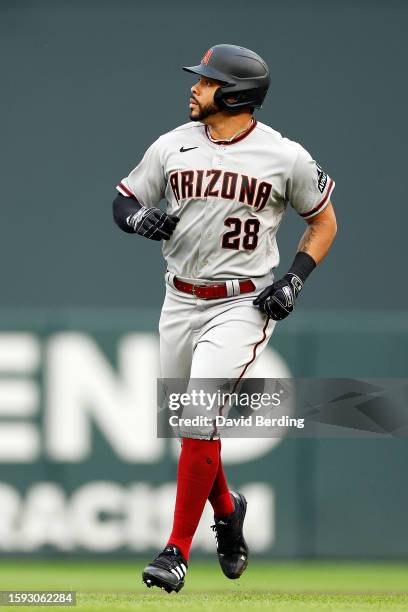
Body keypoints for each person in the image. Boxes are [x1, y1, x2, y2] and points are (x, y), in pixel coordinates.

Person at [113, 44, 337, 593]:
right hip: (178, 299)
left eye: (208, 81)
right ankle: (227, 506)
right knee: (189, 425)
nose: (195, 86)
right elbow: (122, 199)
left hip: (242, 302)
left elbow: (324, 222)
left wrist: (295, 278)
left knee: (197, 415)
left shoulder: (286, 157)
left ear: (235, 95)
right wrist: (139, 218)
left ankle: (175, 552)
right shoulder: (173, 144)